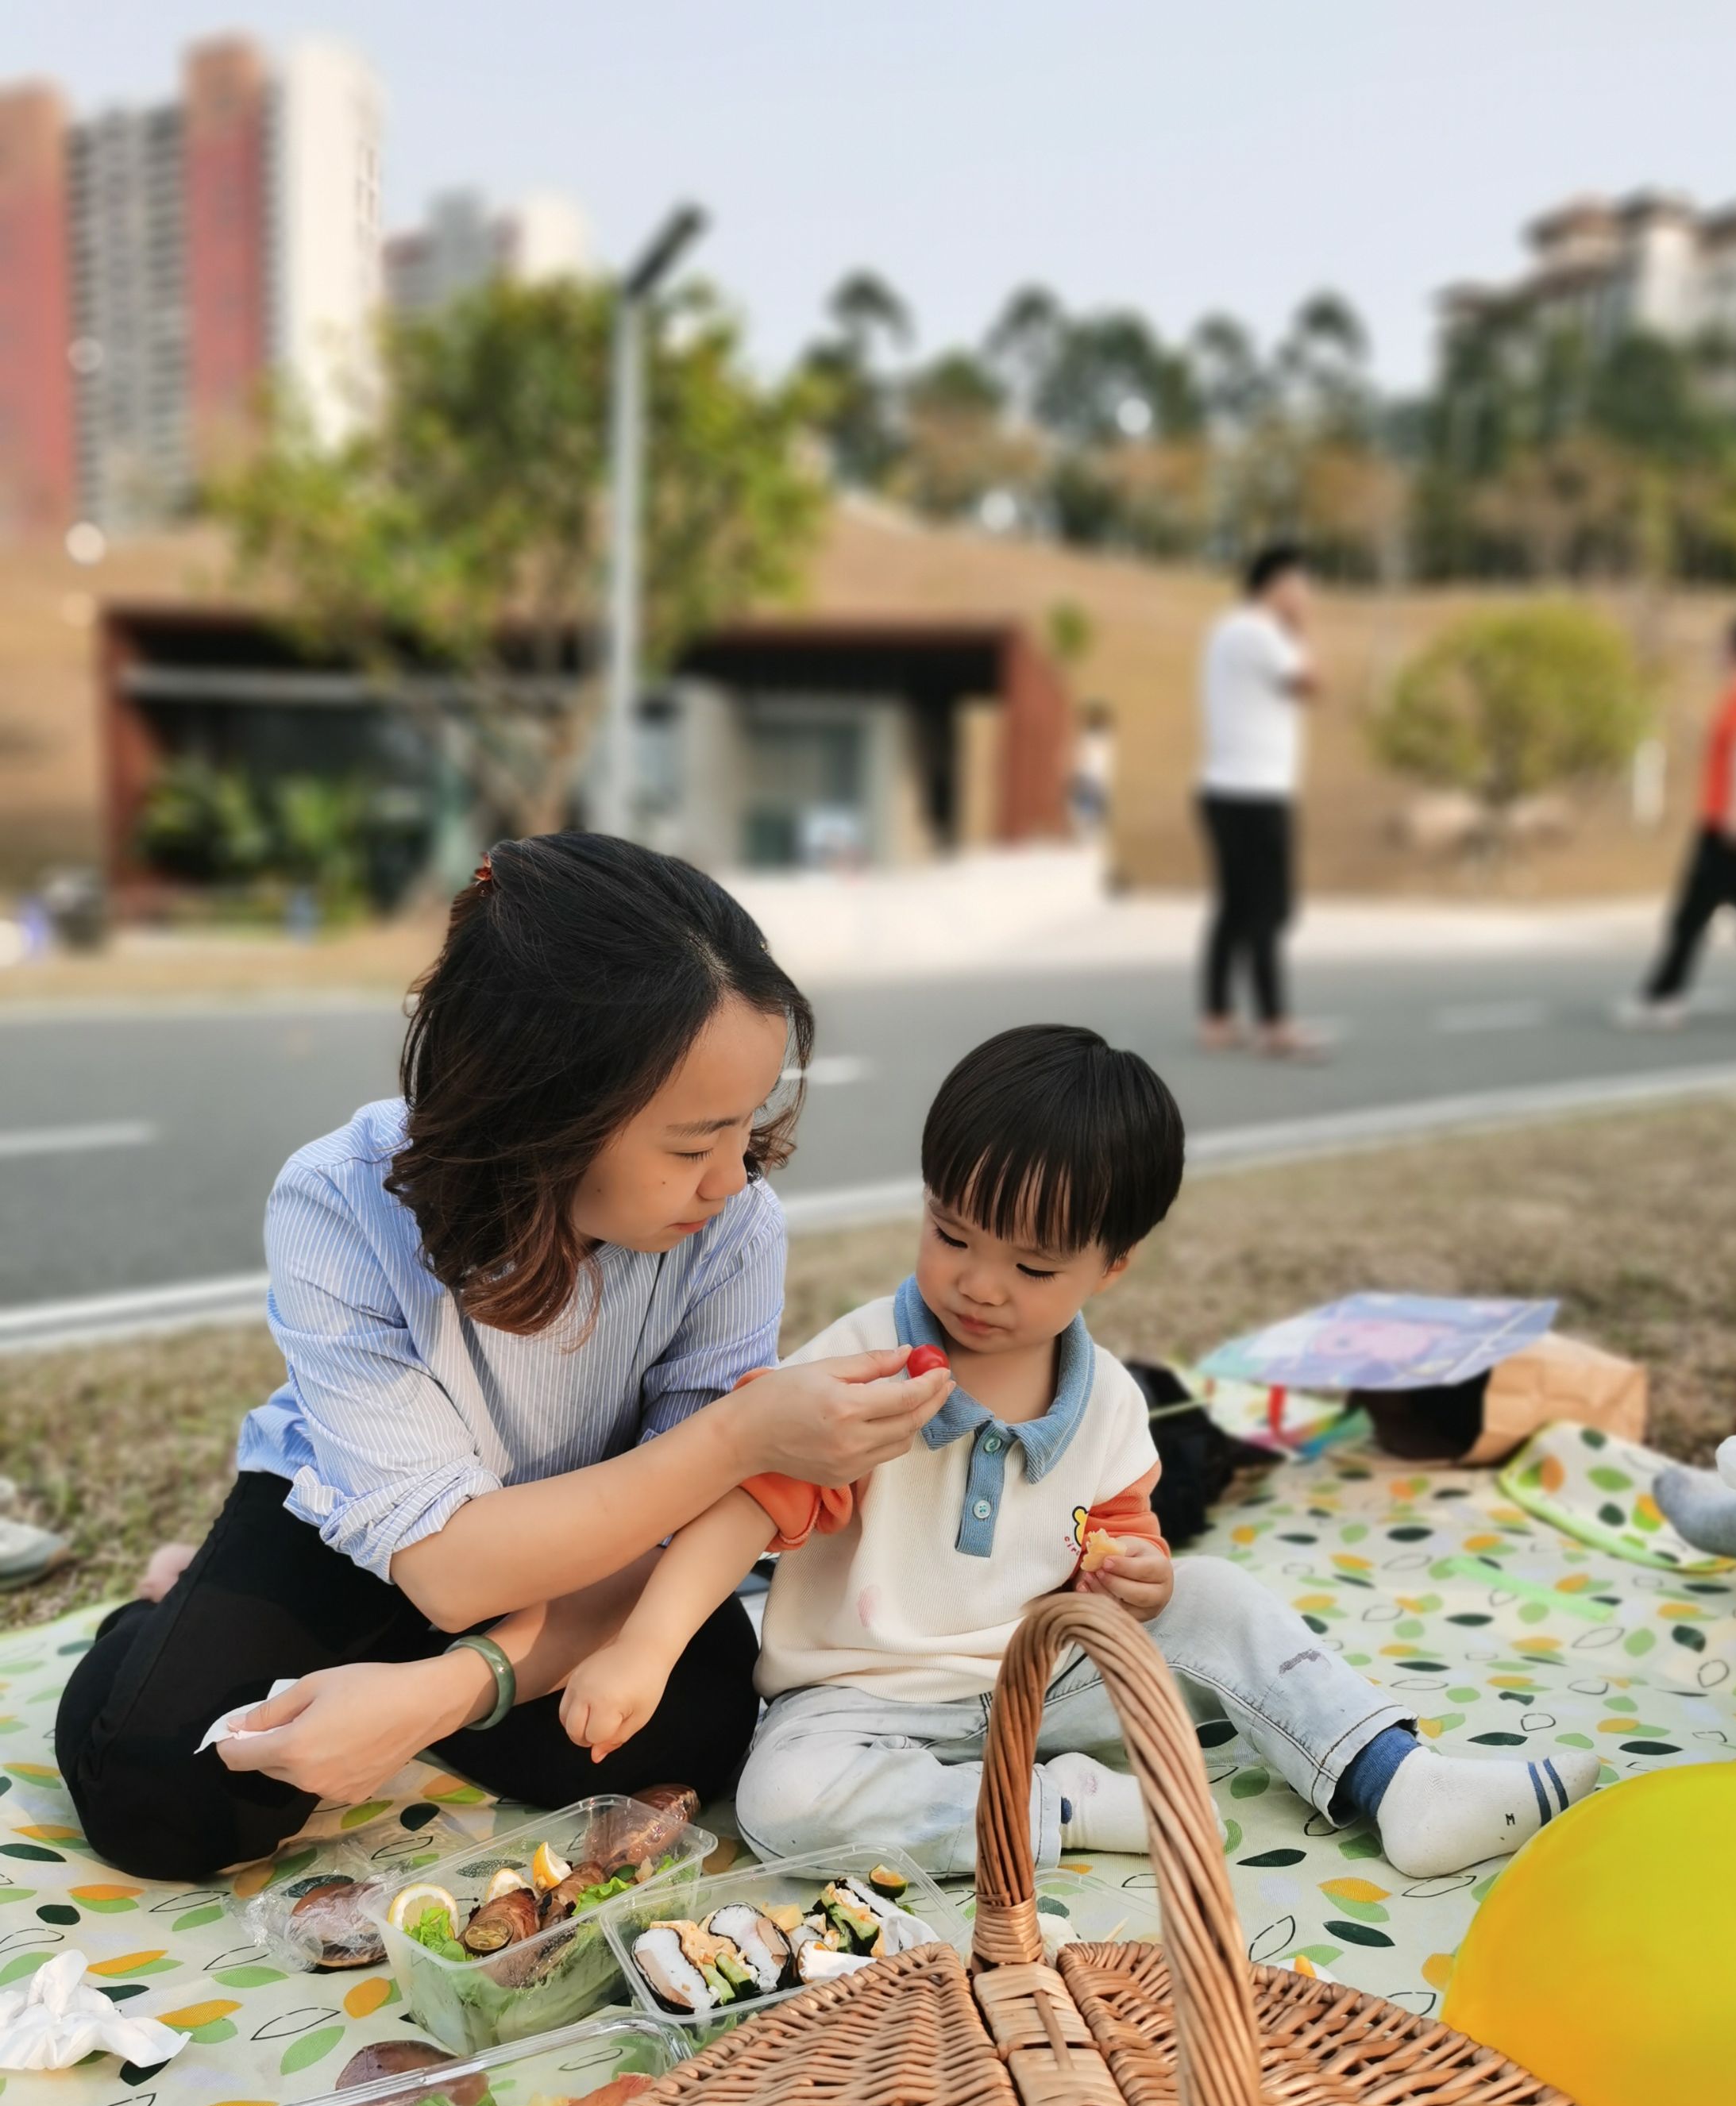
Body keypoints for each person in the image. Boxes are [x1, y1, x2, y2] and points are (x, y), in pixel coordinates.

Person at [53, 833, 951, 1880]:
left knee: (698, 1727)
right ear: (543, 1109)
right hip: (364, 1524)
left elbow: (674, 1534)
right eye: (689, 1142)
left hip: (592, 1535)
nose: (728, 1179)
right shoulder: (338, 1202)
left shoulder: (733, 1225)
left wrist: (449, 1688)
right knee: (159, 1792)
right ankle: (166, 1613)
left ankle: (382, 1691)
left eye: (744, 1128)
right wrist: (744, 1432)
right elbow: (444, 1568)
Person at [557, 1024, 1597, 1881]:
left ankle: (1394, 1779)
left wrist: (1136, 1577)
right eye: (951, 1234)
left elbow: (1118, 1543)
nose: (979, 1284)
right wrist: (643, 1649)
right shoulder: (870, 1367)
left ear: (1112, 1264)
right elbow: (745, 1508)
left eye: (1032, 1264)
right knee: (784, 1805)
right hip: (860, 1702)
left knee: (1219, 1596)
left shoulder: (1103, 1402)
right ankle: (1068, 1807)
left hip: (1040, 1678)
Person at [1628, 616, 1736, 1025]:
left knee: (1693, 913)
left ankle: (1663, 996)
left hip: (1735, 825)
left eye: (1723, 645)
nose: (1716, 653)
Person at [1197, 542, 1323, 1058]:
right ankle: (1275, 1024)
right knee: (1270, 910)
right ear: (1277, 584)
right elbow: (1312, 681)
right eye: (1300, 584)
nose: (1305, 594)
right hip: (1255, 792)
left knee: (1233, 908)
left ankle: (1218, 1018)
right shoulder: (1260, 631)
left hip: (1223, 789)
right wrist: (1300, 627)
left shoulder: (1227, 628)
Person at [1067, 701, 1115, 844]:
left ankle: (1087, 839)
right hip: (1090, 783)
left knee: (1087, 820)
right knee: (1088, 821)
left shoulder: (1094, 741)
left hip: (1089, 783)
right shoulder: (1101, 740)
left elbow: (1083, 762)